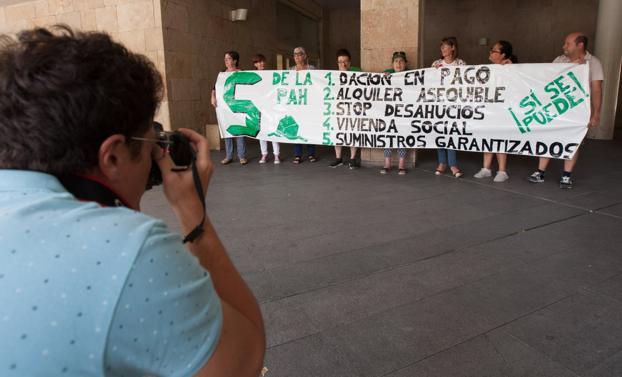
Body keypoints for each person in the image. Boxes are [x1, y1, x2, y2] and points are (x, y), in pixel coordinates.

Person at [0, 26, 265, 377]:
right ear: (112, 157)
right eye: (149, 140)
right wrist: (192, 211)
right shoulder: (129, 251)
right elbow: (244, 359)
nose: (156, 154)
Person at [526, 32, 603, 189]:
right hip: (555, 107)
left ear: (580, 45)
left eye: (568, 44)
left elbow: (596, 89)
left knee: (573, 141)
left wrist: (596, 113)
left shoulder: (593, 63)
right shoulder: (559, 60)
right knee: (547, 138)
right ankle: (540, 172)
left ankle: (566, 175)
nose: (564, 47)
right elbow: (547, 80)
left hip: (579, 111)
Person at [473, 40, 517, 182]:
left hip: (503, 111)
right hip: (488, 109)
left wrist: (512, 69)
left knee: (501, 139)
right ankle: (486, 168)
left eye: (494, 51)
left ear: (503, 54)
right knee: (487, 137)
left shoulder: (511, 69)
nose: (490, 53)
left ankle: (502, 171)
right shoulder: (488, 70)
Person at [431, 37, 465, 178]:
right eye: (441, 47)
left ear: (453, 48)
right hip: (439, 103)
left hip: (454, 104)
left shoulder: (461, 64)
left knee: (452, 133)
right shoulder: (436, 64)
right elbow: (430, 82)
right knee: (440, 133)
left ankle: (452, 164)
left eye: (445, 46)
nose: (443, 49)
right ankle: (442, 163)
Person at [211, 51, 248, 165]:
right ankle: (229, 155)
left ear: (235, 60)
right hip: (224, 107)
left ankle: (242, 156)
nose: (226, 61)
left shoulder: (241, 72)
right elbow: (214, 88)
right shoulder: (222, 73)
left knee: (239, 130)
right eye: (225, 59)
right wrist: (212, 97)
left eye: (228, 59)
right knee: (227, 129)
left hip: (237, 105)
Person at [329, 48, 360, 169]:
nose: (343, 64)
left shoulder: (357, 72)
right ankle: (338, 158)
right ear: (337, 63)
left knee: (353, 132)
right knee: (337, 132)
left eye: (345, 61)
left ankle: (352, 158)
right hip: (338, 109)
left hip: (353, 109)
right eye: (340, 61)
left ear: (350, 62)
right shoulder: (332, 76)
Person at [381, 51, 409, 175]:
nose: (398, 63)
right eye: (396, 61)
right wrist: (383, 76)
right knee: (388, 136)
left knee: (402, 136)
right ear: (392, 64)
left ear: (405, 63)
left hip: (404, 111)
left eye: (401, 61)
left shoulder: (411, 75)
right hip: (389, 112)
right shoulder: (388, 74)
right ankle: (387, 162)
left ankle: (401, 164)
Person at [290, 46, 317, 164]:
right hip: (296, 105)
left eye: (300, 54)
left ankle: (311, 153)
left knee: (308, 128)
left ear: (305, 56)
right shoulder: (290, 71)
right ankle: (297, 154)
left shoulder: (312, 69)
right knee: (296, 128)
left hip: (309, 104)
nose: (297, 56)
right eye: (295, 55)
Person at [253, 53, 281, 164]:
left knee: (273, 131)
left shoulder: (270, 75)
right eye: (259, 62)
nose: (262, 63)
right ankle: (264, 154)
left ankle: (276, 155)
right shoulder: (253, 75)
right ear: (255, 64)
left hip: (270, 107)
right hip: (259, 108)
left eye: (263, 61)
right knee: (261, 132)